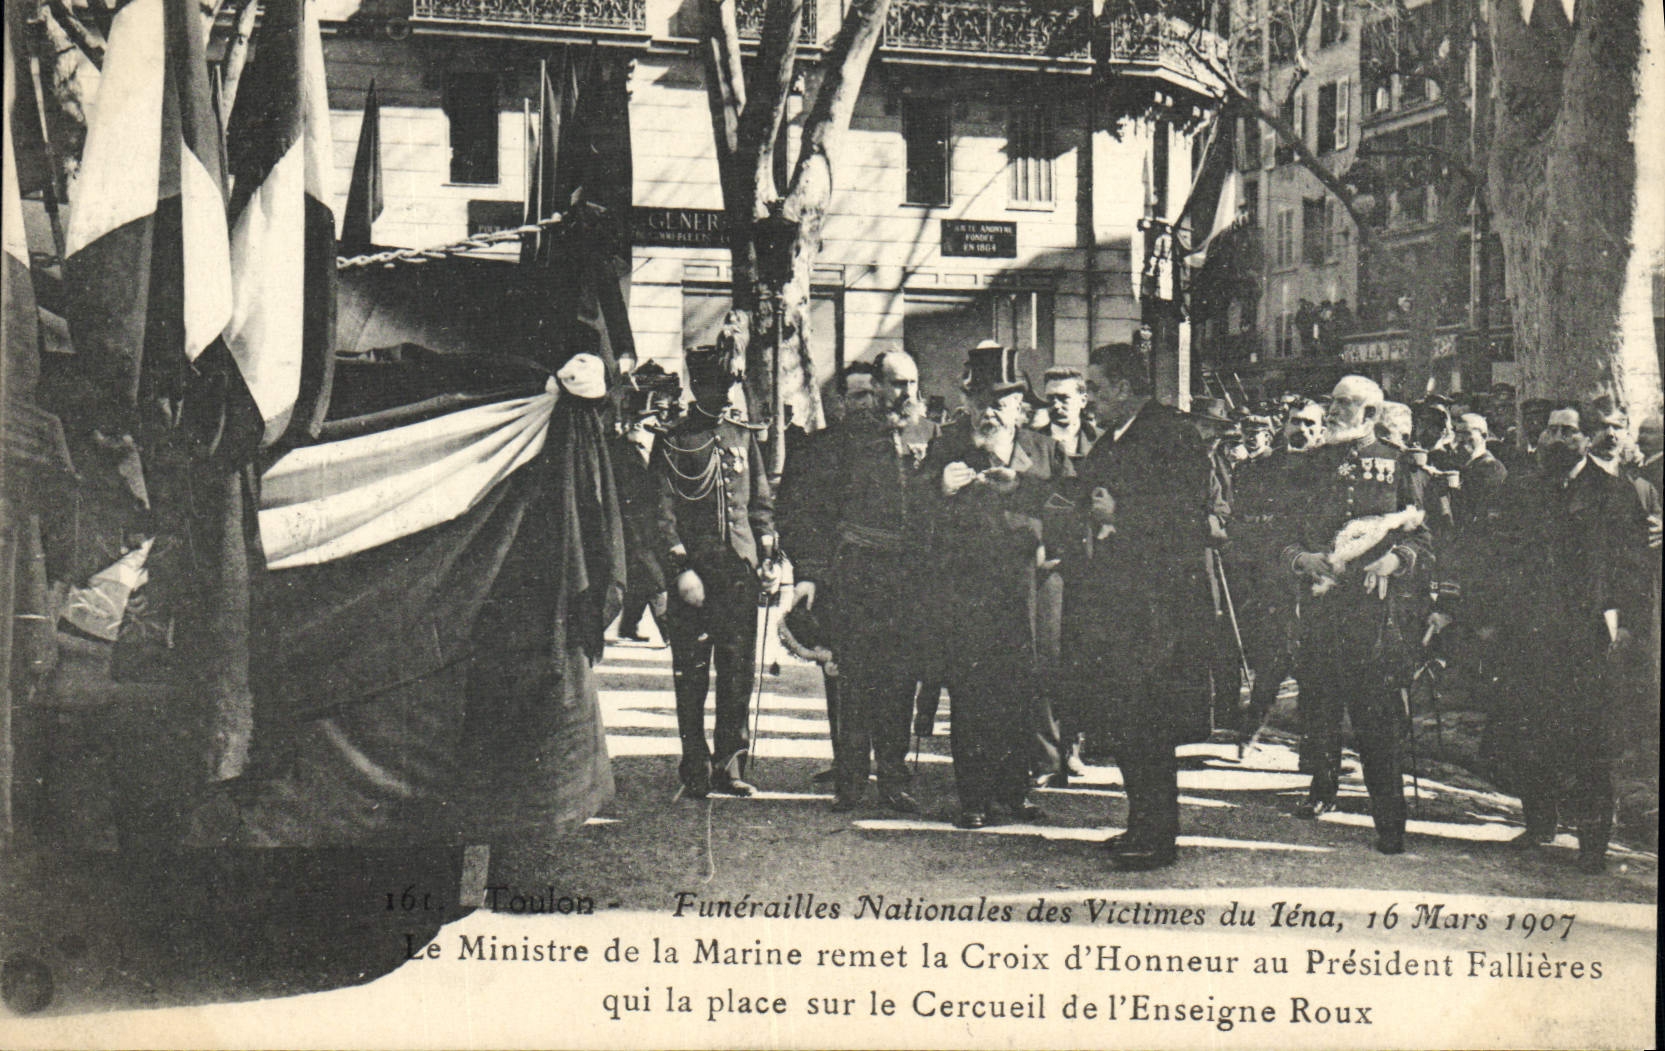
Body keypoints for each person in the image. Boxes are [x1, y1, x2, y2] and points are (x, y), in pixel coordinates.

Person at [1066, 346, 1220, 870]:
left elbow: (1188, 515)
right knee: (1129, 722)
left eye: (1096, 389)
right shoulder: (1111, 439)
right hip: (1122, 609)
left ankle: (1158, 837)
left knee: (1150, 723)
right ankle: (1141, 823)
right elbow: (1080, 494)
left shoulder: (1171, 435)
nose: (1089, 401)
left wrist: (1122, 514)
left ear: (1125, 388)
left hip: (1161, 612)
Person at [777, 352, 936, 813]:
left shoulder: (928, 437)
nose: (905, 394)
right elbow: (806, 512)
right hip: (857, 575)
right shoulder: (839, 443)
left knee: (901, 680)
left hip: (910, 579)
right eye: (895, 384)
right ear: (877, 388)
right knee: (855, 678)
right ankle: (850, 780)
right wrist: (809, 573)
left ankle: (893, 777)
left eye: (912, 384)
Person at [1282, 376, 1433, 854]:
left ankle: (1389, 819)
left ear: (1370, 414)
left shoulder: (1399, 462)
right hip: (1322, 609)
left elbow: (1425, 537)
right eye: (1332, 403)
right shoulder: (1308, 465)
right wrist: (1299, 558)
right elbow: (1281, 533)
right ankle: (1322, 788)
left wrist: (1397, 559)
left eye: (1344, 406)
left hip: (1376, 617)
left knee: (1378, 718)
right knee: (1321, 705)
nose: (1332, 413)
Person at [929, 341, 1051, 829]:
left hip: (1028, 590)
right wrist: (939, 488)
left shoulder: (1042, 451)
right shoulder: (946, 448)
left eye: (1000, 404)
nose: (989, 414)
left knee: (1023, 687)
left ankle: (1015, 790)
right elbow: (916, 514)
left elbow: (1066, 509)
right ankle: (974, 797)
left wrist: (1027, 499)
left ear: (1020, 407)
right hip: (968, 590)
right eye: (980, 404)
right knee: (973, 692)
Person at [654, 345, 778, 798]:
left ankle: (731, 763)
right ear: (697, 386)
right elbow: (661, 512)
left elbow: (759, 502)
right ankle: (694, 764)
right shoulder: (674, 437)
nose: (723, 397)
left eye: (727, 388)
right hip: (696, 577)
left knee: (737, 670)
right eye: (714, 387)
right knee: (692, 672)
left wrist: (767, 555)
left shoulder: (741, 434)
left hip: (739, 572)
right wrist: (680, 567)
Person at [1031, 366, 1104, 786]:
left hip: (1092, 566)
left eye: (1065, 396)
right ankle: (1045, 754)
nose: (1057, 404)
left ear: (1082, 400)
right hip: (1047, 568)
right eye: (1050, 397)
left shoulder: (1100, 446)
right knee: (1045, 661)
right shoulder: (1032, 445)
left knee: (1083, 660)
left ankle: (1073, 747)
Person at [612, 389, 669, 643]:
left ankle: (628, 625)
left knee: (642, 579)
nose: (657, 426)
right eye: (652, 422)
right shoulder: (623, 451)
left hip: (648, 526)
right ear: (637, 424)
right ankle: (671, 632)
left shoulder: (650, 449)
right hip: (632, 527)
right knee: (656, 579)